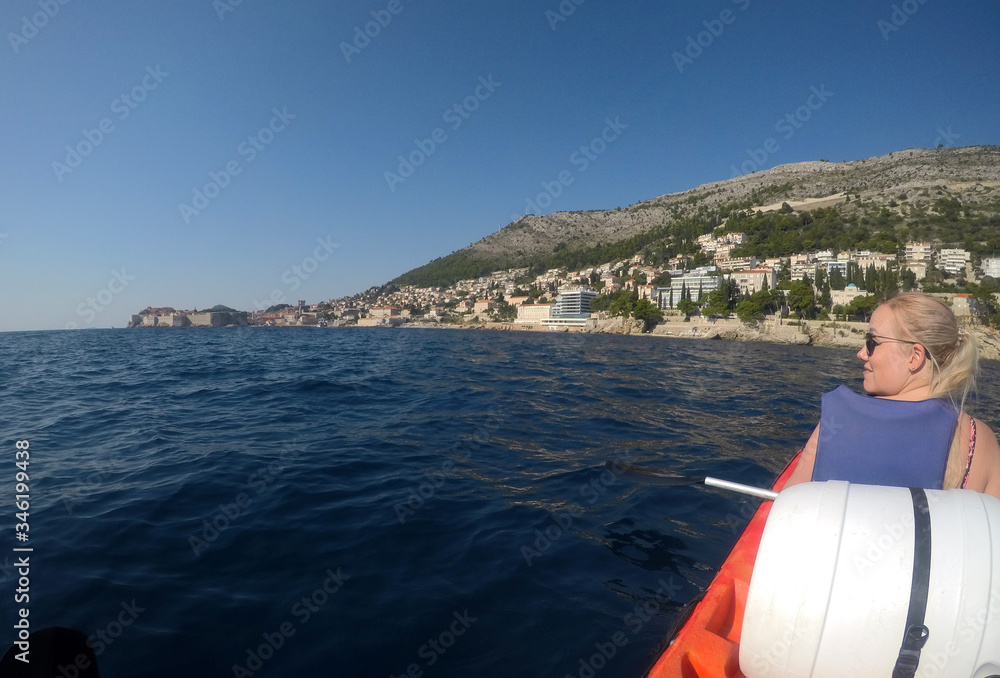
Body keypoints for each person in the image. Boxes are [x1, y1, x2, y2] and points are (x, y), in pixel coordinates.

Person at [785, 292, 1000, 498]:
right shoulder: (980, 440)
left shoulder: (835, 421)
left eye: (872, 343)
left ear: (914, 357)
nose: (861, 354)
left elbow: (786, 509)